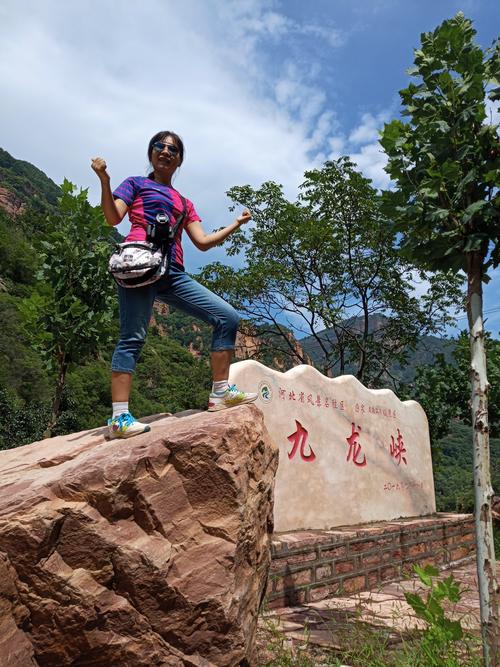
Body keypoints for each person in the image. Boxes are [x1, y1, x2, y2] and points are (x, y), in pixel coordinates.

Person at [91, 130, 257, 439]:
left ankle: (220, 392)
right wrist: (104, 180)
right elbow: (113, 218)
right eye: (160, 146)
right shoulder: (135, 184)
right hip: (139, 265)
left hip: (172, 272)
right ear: (151, 152)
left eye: (173, 149)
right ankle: (119, 418)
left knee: (227, 317)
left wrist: (236, 223)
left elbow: (203, 242)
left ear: (179, 159)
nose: (166, 151)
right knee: (133, 337)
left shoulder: (183, 202)